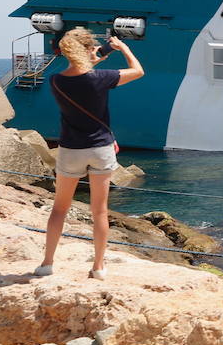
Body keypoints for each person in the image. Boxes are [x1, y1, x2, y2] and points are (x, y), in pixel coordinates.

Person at [35, 27, 143, 279]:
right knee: (99, 211)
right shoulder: (101, 77)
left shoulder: (56, 81)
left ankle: (47, 263)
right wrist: (123, 48)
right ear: (86, 50)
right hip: (101, 149)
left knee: (59, 209)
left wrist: (90, 59)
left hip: (71, 150)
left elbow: (78, 74)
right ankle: (98, 267)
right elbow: (138, 71)